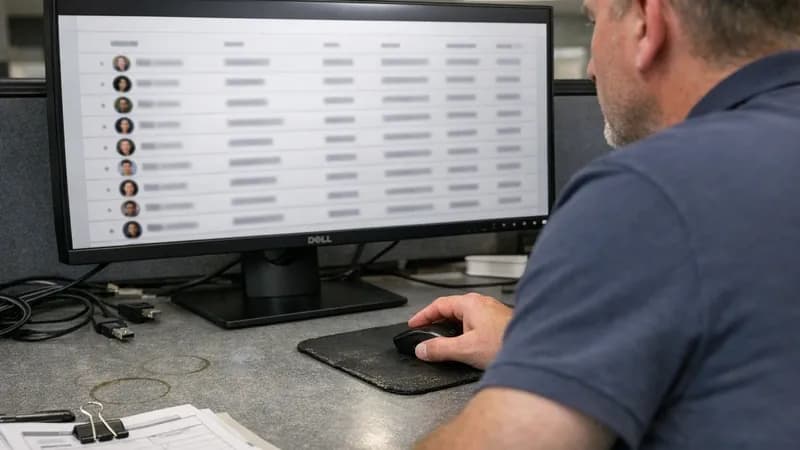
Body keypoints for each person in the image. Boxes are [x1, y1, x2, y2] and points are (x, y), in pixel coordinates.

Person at [412, 1, 800, 449]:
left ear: (644, 22)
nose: (592, 67)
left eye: (593, 22)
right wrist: (548, 354)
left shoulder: (650, 189)